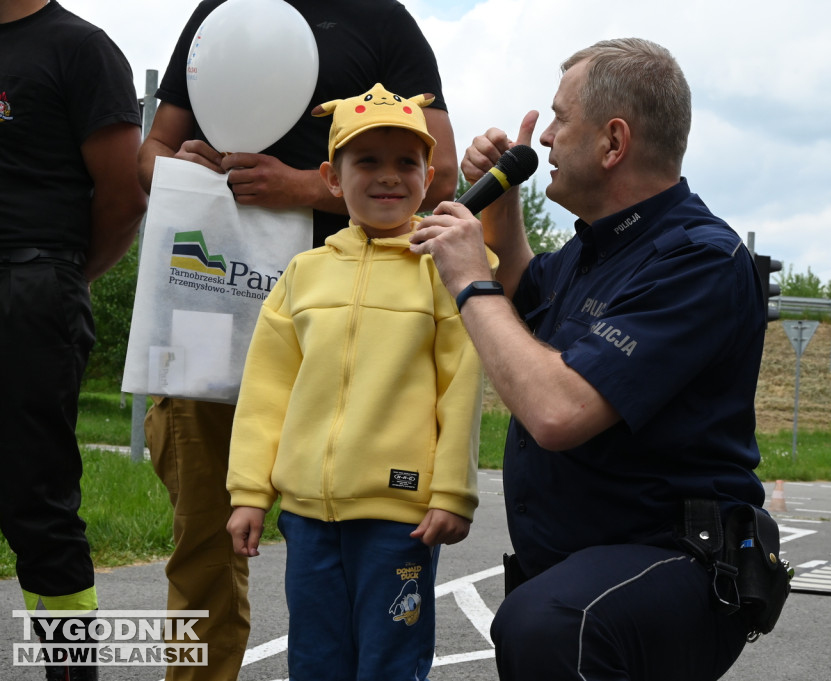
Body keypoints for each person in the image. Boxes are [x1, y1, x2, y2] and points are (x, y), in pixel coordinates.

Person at [411, 38, 771, 680]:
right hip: (583, 564)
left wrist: (468, 277)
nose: (544, 138)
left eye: (559, 118)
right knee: (545, 617)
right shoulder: (592, 251)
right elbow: (523, 297)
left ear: (613, 142)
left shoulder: (699, 261)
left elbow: (556, 408)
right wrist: (501, 202)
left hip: (671, 560)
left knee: (552, 625)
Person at [135, 3, 458, 678]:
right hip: (210, 308)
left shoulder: (382, 21)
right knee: (201, 542)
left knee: (359, 552)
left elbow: (442, 169)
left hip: (341, 323)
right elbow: (151, 154)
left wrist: (300, 187)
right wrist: (189, 171)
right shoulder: (220, 14)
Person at [225, 83, 485, 679]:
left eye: (406, 163)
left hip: (403, 517)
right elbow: (267, 390)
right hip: (309, 517)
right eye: (367, 161)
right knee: (315, 659)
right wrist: (249, 492)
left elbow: (462, 387)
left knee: (391, 661)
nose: (388, 177)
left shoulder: (445, 267)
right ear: (332, 178)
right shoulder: (304, 273)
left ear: (428, 175)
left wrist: (452, 491)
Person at [0, 0, 148, 679]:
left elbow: (123, 196)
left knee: (35, 499)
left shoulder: (79, 49)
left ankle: (70, 670)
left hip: (31, 286)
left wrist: (60, 275)